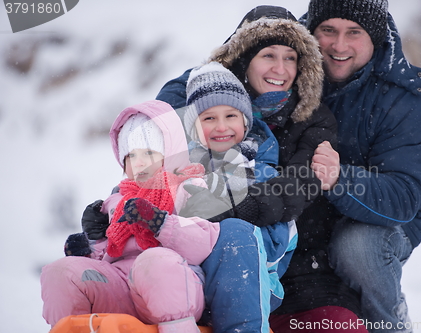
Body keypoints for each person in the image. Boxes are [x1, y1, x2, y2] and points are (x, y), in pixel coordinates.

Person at [156, 5, 367, 332]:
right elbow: (155, 156)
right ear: (244, 59)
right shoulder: (208, 105)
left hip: (298, 266)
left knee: (342, 326)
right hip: (197, 248)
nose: (281, 69)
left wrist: (235, 209)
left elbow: (299, 184)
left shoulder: (314, 118)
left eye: (291, 57)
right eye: (268, 55)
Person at [305, 0, 421, 332]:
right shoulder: (285, 50)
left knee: (356, 247)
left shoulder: (402, 95)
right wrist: (160, 120)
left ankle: (389, 322)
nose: (339, 45)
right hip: (302, 211)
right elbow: (215, 74)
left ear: (374, 36)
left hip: (382, 223)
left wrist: (340, 180)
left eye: (354, 33)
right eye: (328, 31)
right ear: (312, 28)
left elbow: (405, 197)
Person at [41, 100, 219, 333]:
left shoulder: (190, 187)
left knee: (153, 262)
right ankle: (74, 328)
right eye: (131, 155)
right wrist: (90, 245)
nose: (140, 162)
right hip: (121, 288)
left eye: (149, 152)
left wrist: (161, 223)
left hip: (174, 286)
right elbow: (109, 255)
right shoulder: (117, 199)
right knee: (62, 271)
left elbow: (204, 244)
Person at [180, 61, 299, 314]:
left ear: (245, 123)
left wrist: (219, 218)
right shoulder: (181, 168)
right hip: (190, 276)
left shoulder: (261, 171)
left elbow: (276, 242)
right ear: (194, 128)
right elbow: (148, 190)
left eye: (230, 116)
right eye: (209, 118)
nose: (221, 127)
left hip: (253, 279)